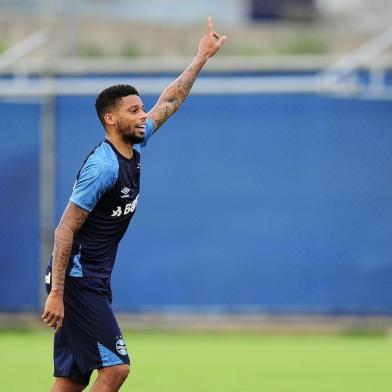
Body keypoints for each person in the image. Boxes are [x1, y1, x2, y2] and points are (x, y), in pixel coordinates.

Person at [41, 17, 226, 392]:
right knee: (116, 370)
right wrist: (58, 293)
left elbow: (170, 100)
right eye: (133, 111)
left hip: (92, 278)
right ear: (111, 119)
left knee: (70, 381)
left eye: (142, 109)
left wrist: (201, 56)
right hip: (76, 280)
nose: (143, 115)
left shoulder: (136, 143)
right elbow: (65, 228)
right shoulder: (103, 166)